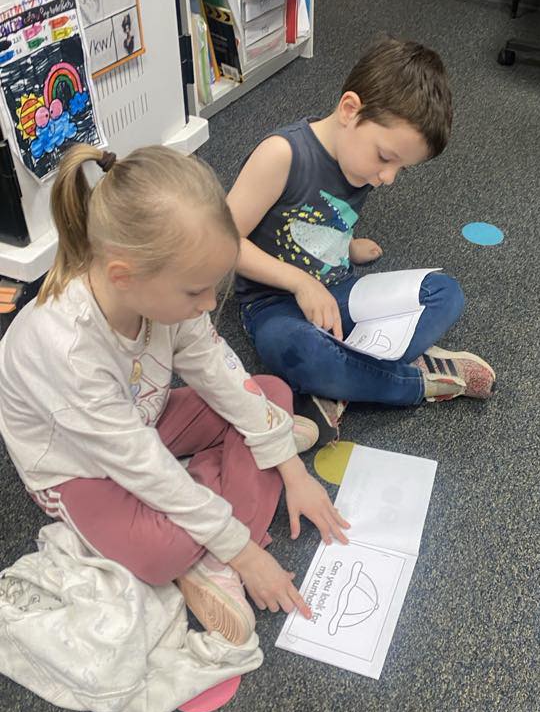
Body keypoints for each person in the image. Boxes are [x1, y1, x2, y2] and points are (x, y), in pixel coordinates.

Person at [0, 143, 349, 646]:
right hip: (77, 467)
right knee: (159, 554)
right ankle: (214, 539)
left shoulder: (161, 292)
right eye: (194, 292)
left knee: (268, 392)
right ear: (124, 276)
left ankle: (212, 525)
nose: (208, 304)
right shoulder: (67, 348)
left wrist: (294, 472)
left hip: (143, 418)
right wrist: (245, 554)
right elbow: (138, 463)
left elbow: (216, 368)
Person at [229, 36, 496, 444]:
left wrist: (348, 247)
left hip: (339, 294)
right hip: (273, 306)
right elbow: (223, 243)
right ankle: (415, 382)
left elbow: (322, 221)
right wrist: (301, 282)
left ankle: (341, 386)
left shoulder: (361, 162)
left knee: (445, 293)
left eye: (401, 169)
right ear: (350, 110)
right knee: (305, 353)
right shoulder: (282, 154)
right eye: (387, 159)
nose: (388, 178)